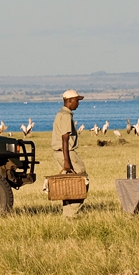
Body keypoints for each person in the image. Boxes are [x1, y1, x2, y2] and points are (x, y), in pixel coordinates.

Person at [51, 89, 86, 218]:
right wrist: (67, 161)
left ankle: (67, 215)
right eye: (77, 101)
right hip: (66, 153)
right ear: (69, 101)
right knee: (81, 180)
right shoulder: (66, 116)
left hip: (59, 152)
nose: (78, 103)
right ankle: (72, 214)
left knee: (67, 184)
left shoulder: (60, 113)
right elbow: (65, 139)